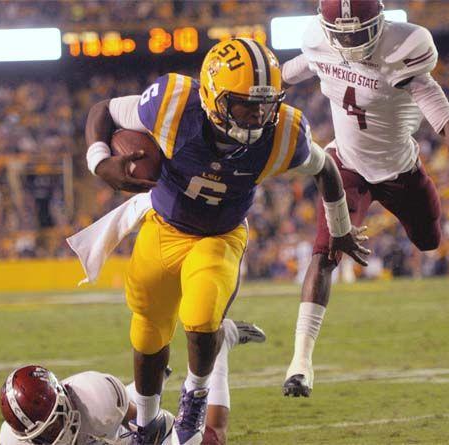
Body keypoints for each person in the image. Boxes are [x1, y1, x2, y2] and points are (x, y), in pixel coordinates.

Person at [83, 38, 369, 444]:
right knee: (148, 330)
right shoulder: (173, 104)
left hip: (219, 235)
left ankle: (195, 395)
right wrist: (99, 162)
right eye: (245, 105)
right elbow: (104, 111)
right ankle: (146, 424)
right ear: (214, 98)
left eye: (266, 104)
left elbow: (326, 169)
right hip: (164, 227)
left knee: (201, 317)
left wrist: (340, 228)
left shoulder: (284, 133)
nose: (257, 115)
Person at [280, 0, 449, 397]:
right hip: (345, 165)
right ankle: (300, 363)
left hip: (401, 170)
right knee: (324, 251)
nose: (348, 40)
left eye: (357, 31)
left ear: (379, 24)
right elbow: (288, 72)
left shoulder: (403, 55)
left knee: (430, 240)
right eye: (340, 33)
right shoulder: (318, 46)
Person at [0, 319, 266, 445]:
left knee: (207, 441)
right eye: (42, 435)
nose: (52, 435)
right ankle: (153, 380)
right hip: (107, 423)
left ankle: (220, 345)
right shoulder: (12, 442)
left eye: (54, 422)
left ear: (63, 399)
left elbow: (152, 428)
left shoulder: (95, 396)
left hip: (123, 429)